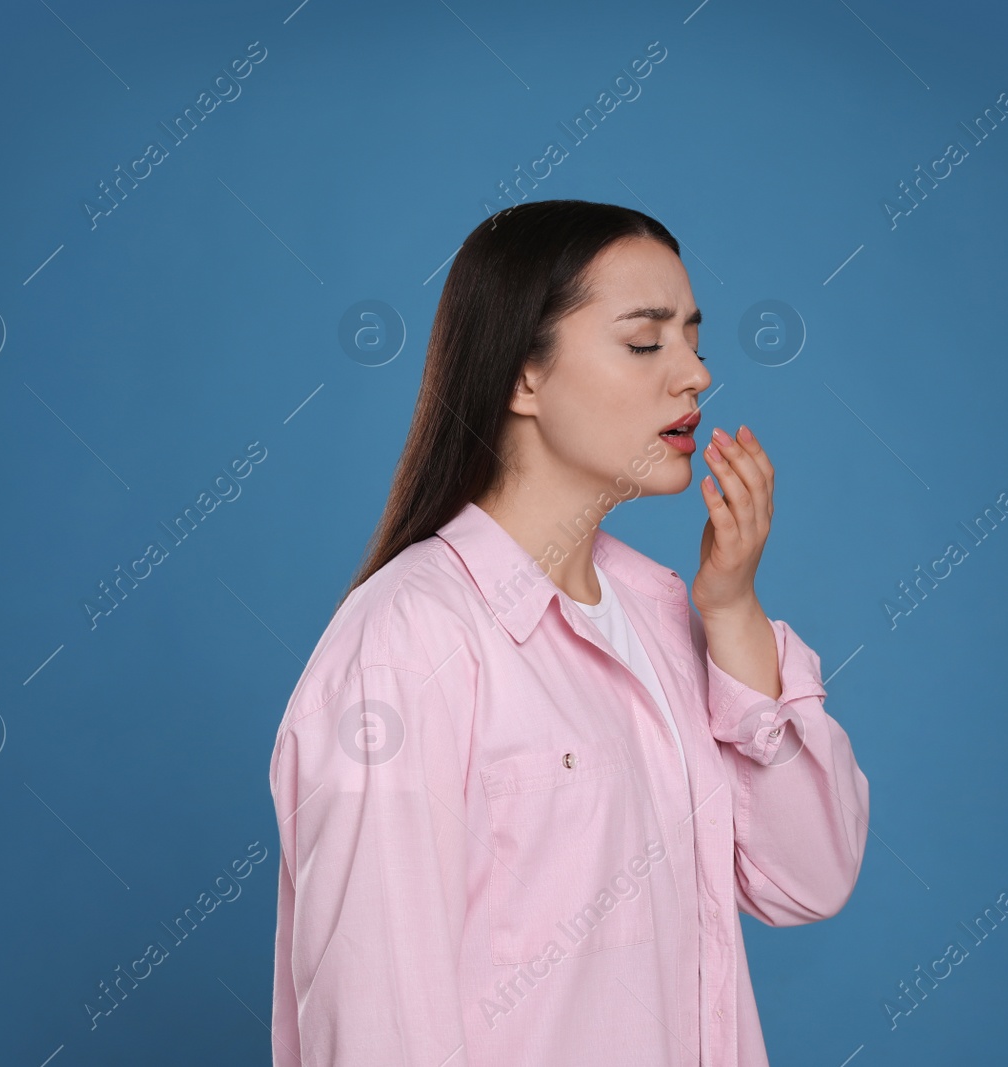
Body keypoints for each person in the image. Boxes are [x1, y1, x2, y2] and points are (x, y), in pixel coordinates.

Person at [269, 199, 869, 1066]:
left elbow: (810, 875)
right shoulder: (408, 646)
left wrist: (734, 612)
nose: (695, 375)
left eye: (695, 340)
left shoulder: (665, 618)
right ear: (523, 375)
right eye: (645, 341)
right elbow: (378, 1023)